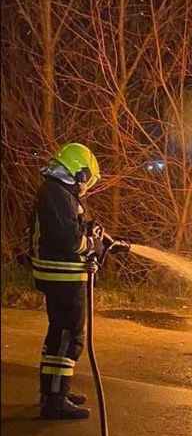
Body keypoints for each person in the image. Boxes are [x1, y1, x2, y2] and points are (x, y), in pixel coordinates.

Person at [28, 143, 104, 420]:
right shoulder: (57, 194)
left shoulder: (58, 192)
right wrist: (92, 244)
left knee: (60, 334)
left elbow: (68, 232)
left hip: (60, 274)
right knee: (68, 337)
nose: (88, 185)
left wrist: (92, 236)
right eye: (88, 178)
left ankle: (54, 390)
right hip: (62, 276)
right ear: (79, 172)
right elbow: (69, 240)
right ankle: (55, 400)